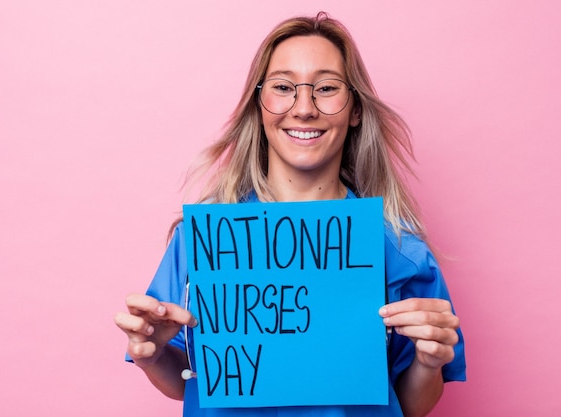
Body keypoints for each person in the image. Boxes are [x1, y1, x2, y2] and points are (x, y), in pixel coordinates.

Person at [114, 11, 466, 417]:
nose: (303, 109)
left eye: (327, 88)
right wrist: (152, 354)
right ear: (259, 106)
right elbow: (185, 382)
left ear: (354, 110)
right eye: (283, 87)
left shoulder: (400, 250)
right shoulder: (204, 242)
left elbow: (410, 404)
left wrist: (429, 360)